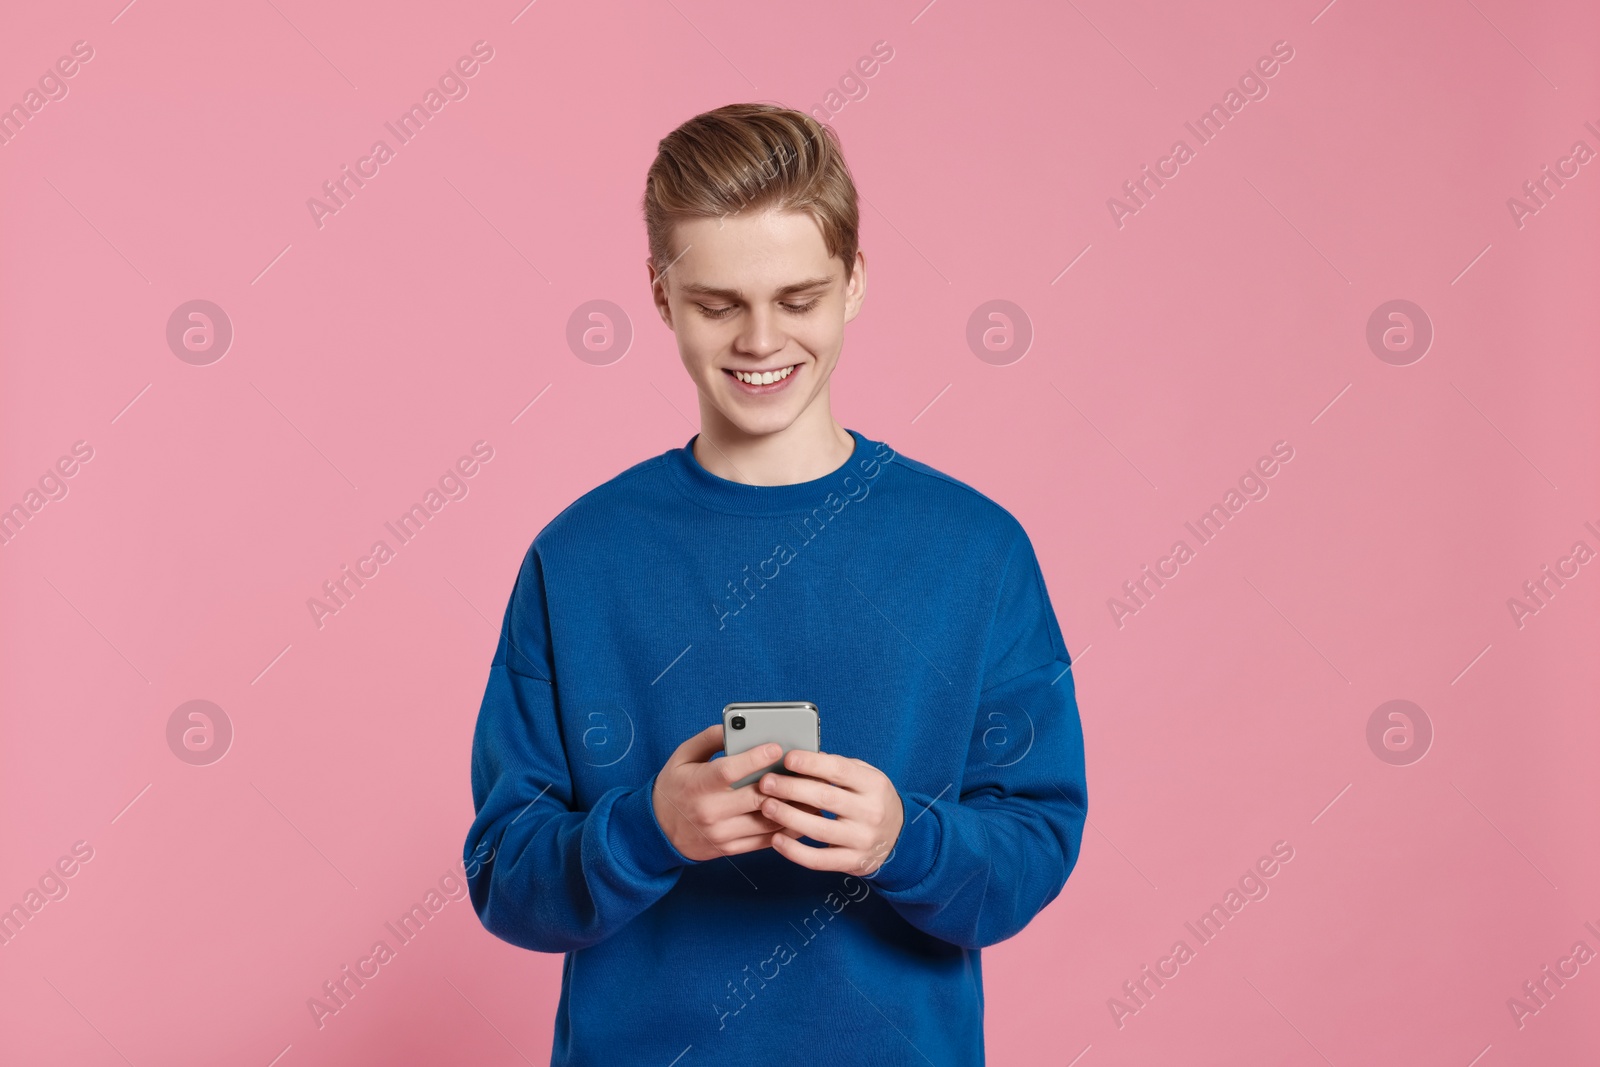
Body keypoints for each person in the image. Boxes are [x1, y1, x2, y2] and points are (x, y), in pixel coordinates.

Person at [463, 102, 1088, 1066]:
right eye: (719, 303)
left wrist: (901, 840)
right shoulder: (577, 558)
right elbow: (504, 873)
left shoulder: (977, 551)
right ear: (663, 296)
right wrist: (648, 829)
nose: (761, 340)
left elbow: (1037, 842)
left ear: (855, 284)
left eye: (798, 298)